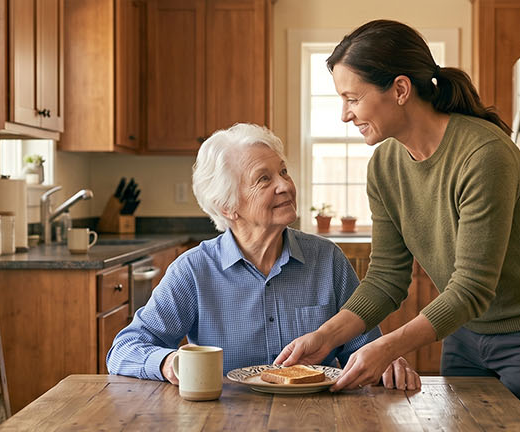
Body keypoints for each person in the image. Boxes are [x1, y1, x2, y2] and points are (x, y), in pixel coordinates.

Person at [275, 20, 520, 432]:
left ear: (400, 90)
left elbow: (472, 287)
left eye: (352, 99)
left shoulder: (482, 154)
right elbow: (386, 279)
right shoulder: (384, 167)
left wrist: (384, 347)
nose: (345, 115)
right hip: (466, 332)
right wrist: (326, 337)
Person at [106, 123, 420, 390]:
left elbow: (363, 349)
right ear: (228, 206)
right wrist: (168, 362)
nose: (285, 185)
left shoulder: (327, 260)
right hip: (224, 427)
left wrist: (387, 362)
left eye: (283, 171)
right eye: (264, 179)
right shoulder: (195, 270)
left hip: (316, 423)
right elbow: (123, 350)